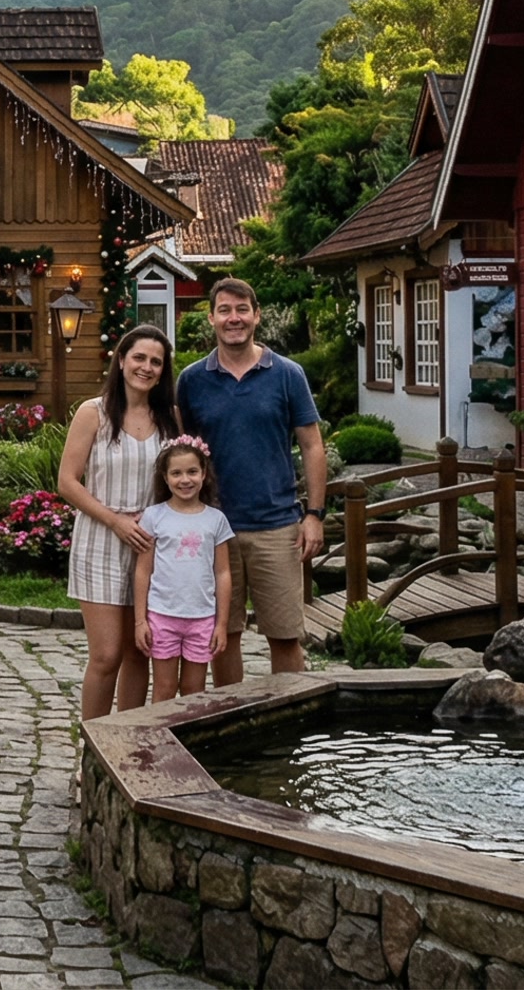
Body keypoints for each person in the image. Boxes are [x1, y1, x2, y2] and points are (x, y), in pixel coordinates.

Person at [175, 277, 327, 686]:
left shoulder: (287, 374)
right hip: (213, 528)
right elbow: (179, 452)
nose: (234, 318)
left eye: (242, 310)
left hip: (276, 526)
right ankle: (234, 720)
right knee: (224, 635)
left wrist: (314, 514)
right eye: (224, 310)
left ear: (256, 316)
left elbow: (312, 446)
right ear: (211, 318)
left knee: (284, 635)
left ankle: (292, 720)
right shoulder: (191, 380)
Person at [56, 326, 179, 718]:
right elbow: (67, 482)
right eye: (139, 358)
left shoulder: (169, 418)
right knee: (107, 655)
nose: (146, 367)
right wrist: (115, 521)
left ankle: (126, 750)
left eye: (155, 362)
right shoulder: (93, 413)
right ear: (122, 360)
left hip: (151, 548)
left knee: (138, 652)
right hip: (101, 541)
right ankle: (91, 752)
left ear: (163, 371)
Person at [131, 437, 235, 702]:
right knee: (164, 689)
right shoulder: (154, 516)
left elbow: (223, 573)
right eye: (176, 473)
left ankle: (188, 739)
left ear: (204, 474)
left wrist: (221, 624)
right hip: (162, 616)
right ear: (165, 478)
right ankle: (158, 738)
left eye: (192, 472)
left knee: (193, 689)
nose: (185, 480)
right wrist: (140, 620)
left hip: (201, 618)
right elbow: (143, 571)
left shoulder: (216, 520)